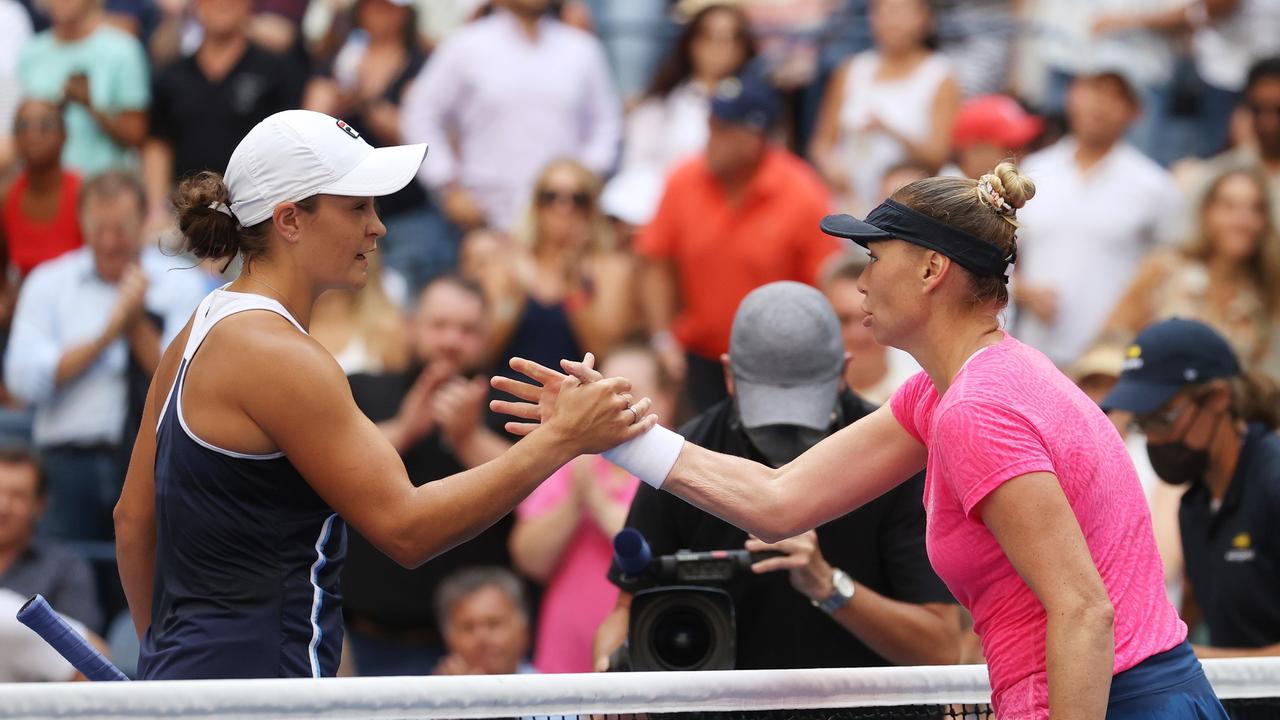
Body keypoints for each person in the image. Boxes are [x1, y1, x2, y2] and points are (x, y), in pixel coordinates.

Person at [497, 162, 1227, 719]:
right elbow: (780, 500)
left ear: (933, 270)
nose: (860, 283)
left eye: (875, 257)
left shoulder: (978, 405)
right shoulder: (955, 390)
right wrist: (618, 437)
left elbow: (1082, 610)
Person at [111, 109, 651, 680]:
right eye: (357, 206)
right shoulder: (282, 355)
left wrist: (160, 663)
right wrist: (563, 439)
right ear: (290, 220)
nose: (379, 226)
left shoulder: (200, 326)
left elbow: (131, 521)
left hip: (193, 678)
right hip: (263, 687)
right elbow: (408, 529)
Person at [593, 282, 960, 672]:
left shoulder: (897, 457)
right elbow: (627, 610)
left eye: (803, 415)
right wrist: (610, 677)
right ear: (729, 375)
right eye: (768, 416)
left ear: (842, 373)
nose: (785, 439)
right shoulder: (682, 461)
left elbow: (941, 647)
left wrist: (828, 585)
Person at [5, 171, 207, 543]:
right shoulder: (49, 283)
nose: (110, 241)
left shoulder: (179, 281)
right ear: (81, 222)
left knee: (147, 591)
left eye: (122, 228)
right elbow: (23, 379)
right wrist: (106, 336)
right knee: (62, 590)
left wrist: (135, 326)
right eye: (99, 228)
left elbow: (190, 383)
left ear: (143, 221)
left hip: (153, 462)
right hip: (64, 464)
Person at [341, 275, 516, 677]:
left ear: (488, 338)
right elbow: (329, 475)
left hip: (475, 650)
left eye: (467, 330)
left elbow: (538, 496)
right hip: (360, 636)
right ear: (412, 327)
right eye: (439, 326)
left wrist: (470, 440)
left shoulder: (510, 406)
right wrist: (404, 429)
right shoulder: (360, 391)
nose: (451, 341)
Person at [638, 70, 840, 411]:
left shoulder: (802, 193)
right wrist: (663, 339)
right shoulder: (683, 180)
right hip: (697, 360)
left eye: (724, 129)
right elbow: (655, 260)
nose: (710, 137)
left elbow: (825, 286)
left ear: (755, 135)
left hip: (777, 367)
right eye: (711, 124)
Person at [1102, 318, 1280, 660]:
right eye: (1142, 423)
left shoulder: (1272, 485)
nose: (1152, 439)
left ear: (1217, 398)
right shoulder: (1193, 507)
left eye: (1163, 418)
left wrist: (1184, 661)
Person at [510, 345, 675, 673]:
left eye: (628, 392)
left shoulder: (675, 467)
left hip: (646, 658)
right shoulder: (570, 459)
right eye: (605, 391)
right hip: (561, 662)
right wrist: (574, 501)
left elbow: (656, 551)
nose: (614, 404)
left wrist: (596, 501)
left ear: (665, 399)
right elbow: (529, 558)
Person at [401, 0, 621, 232]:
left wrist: (584, 182)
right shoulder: (465, 46)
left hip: (565, 216)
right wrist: (447, 186)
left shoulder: (582, 49)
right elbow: (420, 114)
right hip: (486, 218)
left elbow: (607, 124)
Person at [1014, 68, 1183, 368]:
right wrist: (1021, 289)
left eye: (1115, 96)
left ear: (1136, 111)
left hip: (1111, 361)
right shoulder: (1032, 170)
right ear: (1071, 96)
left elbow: (1170, 268)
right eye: (1092, 90)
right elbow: (1004, 254)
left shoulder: (1154, 186)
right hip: (1033, 352)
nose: (1099, 104)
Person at [1097, 165, 1280, 376]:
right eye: (1229, 207)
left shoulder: (1261, 294)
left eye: (1255, 209)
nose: (1242, 220)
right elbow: (1110, 340)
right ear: (1206, 212)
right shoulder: (1164, 268)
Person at [144, 0, 303, 234]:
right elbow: (158, 144)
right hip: (186, 216)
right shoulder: (171, 75)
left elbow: (288, 148)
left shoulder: (276, 71)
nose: (221, 4)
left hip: (254, 217)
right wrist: (156, 209)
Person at [480, 159, 636, 378]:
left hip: (577, 402)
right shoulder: (506, 263)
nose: (563, 208)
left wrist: (574, 287)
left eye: (577, 199)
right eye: (550, 197)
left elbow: (603, 353)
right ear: (536, 205)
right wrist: (512, 299)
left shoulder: (611, 269)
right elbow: (483, 352)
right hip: (508, 396)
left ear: (592, 208)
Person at [808, 0, 960, 215]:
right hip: (849, 202)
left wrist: (889, 129)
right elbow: (822, 143)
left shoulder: (940, 74)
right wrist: (833, 170)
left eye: (902, 12)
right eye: (884, 12)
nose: (892, 21)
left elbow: (939, 155)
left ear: (925, 18)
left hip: (908, 209)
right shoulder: (851, 69)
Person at [619, 2, 757, 181]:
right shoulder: (662, 102)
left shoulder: (757, 107)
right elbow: (636, 166)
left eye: (730, 39)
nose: (720, 48)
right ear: (692, 43)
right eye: (710, 37)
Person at [16, 0, 149, 176]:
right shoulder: (30, 53)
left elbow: (137, 135)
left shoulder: (123, 50)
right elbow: (19, 128)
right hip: (46, 188)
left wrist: (92, 107)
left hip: (103, 187)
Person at [0, 446, 101, 631]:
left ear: (40, 505)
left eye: (18, 496)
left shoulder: (64, 566)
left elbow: (83, 644)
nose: (3, 507)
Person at [820, 251, 919, 405]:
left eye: (869, 319)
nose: (857, 334)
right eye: (843, 319)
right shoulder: (802, 398)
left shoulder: (920, 398)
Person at [1, 99, 83, 279]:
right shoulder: (6, 197)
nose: (33, 135)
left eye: (45, 126)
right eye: (22, 126)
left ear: (64, 135)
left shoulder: (83, 195)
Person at [433, 566, 534, 676]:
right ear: (447, 637)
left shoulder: (553, 689)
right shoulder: (420, 691)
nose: (482, 637)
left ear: (523, 629)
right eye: (468, 628)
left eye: (493, 624)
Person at [947, 94, 1043, 181]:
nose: (1020, 157)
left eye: (1023, 147)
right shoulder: (946, 194)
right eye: (1010, 149)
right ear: (976, 149)